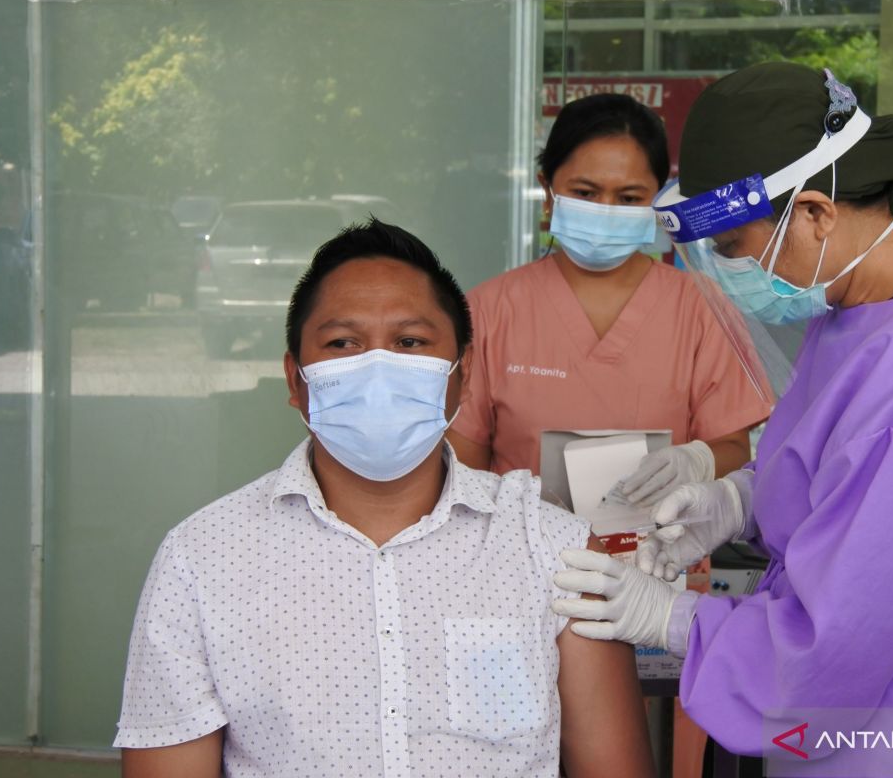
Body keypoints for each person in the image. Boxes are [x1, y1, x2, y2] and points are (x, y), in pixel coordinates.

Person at [551, 63, 893, 777]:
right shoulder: (890, 296)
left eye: (732, 249)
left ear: (815, 213)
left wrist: (670, 619)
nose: (727, 272)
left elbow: (829, 647)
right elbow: (855, 476)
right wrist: (738, 499)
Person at [113, 219, 654, 778]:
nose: (376, 367)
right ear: (296, 379)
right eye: (343, 343)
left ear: (462, 375)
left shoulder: (554, 549)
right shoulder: (202, 560)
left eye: (410, 342)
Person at [447, 92, 772, 504]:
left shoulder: (702, 309)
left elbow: (732, 449)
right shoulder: (488, 312)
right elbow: (464, 468)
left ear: (657, 198)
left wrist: (695, 462)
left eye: (629, 198)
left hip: (659, 559)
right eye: (585, 192)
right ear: (548, 190)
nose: (605, 210)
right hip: (521, 561)